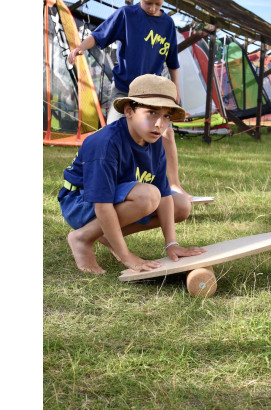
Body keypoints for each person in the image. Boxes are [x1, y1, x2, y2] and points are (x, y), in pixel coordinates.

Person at [58, 74, 206, 274]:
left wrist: (171, 243)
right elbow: (102, 204)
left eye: (166, 116)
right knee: (148, 196)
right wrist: (126, 256)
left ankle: (102, 234)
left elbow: (164, 195)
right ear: (129, 111)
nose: (159, 124)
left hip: (113, 199)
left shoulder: (154, 142)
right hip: (80, 201)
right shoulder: (105, 143)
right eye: (151, 113)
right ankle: (82, 238)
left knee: (181, 205)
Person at [67, 0, 192, 198]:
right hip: (124, 90)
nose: (152, 8)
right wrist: (80, 48)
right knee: (112, 134)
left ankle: (174, 184)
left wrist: (175, 88)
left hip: (152, 94)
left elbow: (172, 60)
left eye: (157, 4)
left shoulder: (167, 23)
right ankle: (98, 184)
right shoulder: (126, 14)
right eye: (148, 3)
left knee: (167, 134)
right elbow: (98, 35)